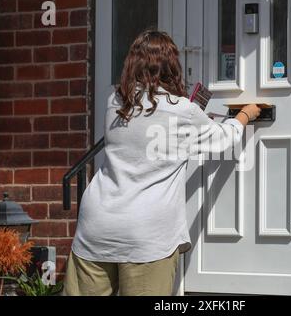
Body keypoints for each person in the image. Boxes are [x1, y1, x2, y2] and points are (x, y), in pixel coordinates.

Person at [63, 30, 261, 296]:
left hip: (96, 225)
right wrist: (246, 114)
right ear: (171, 66)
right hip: (146, 234)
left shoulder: (114, 102)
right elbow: (222, 139)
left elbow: (146, 133)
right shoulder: (182, 111)